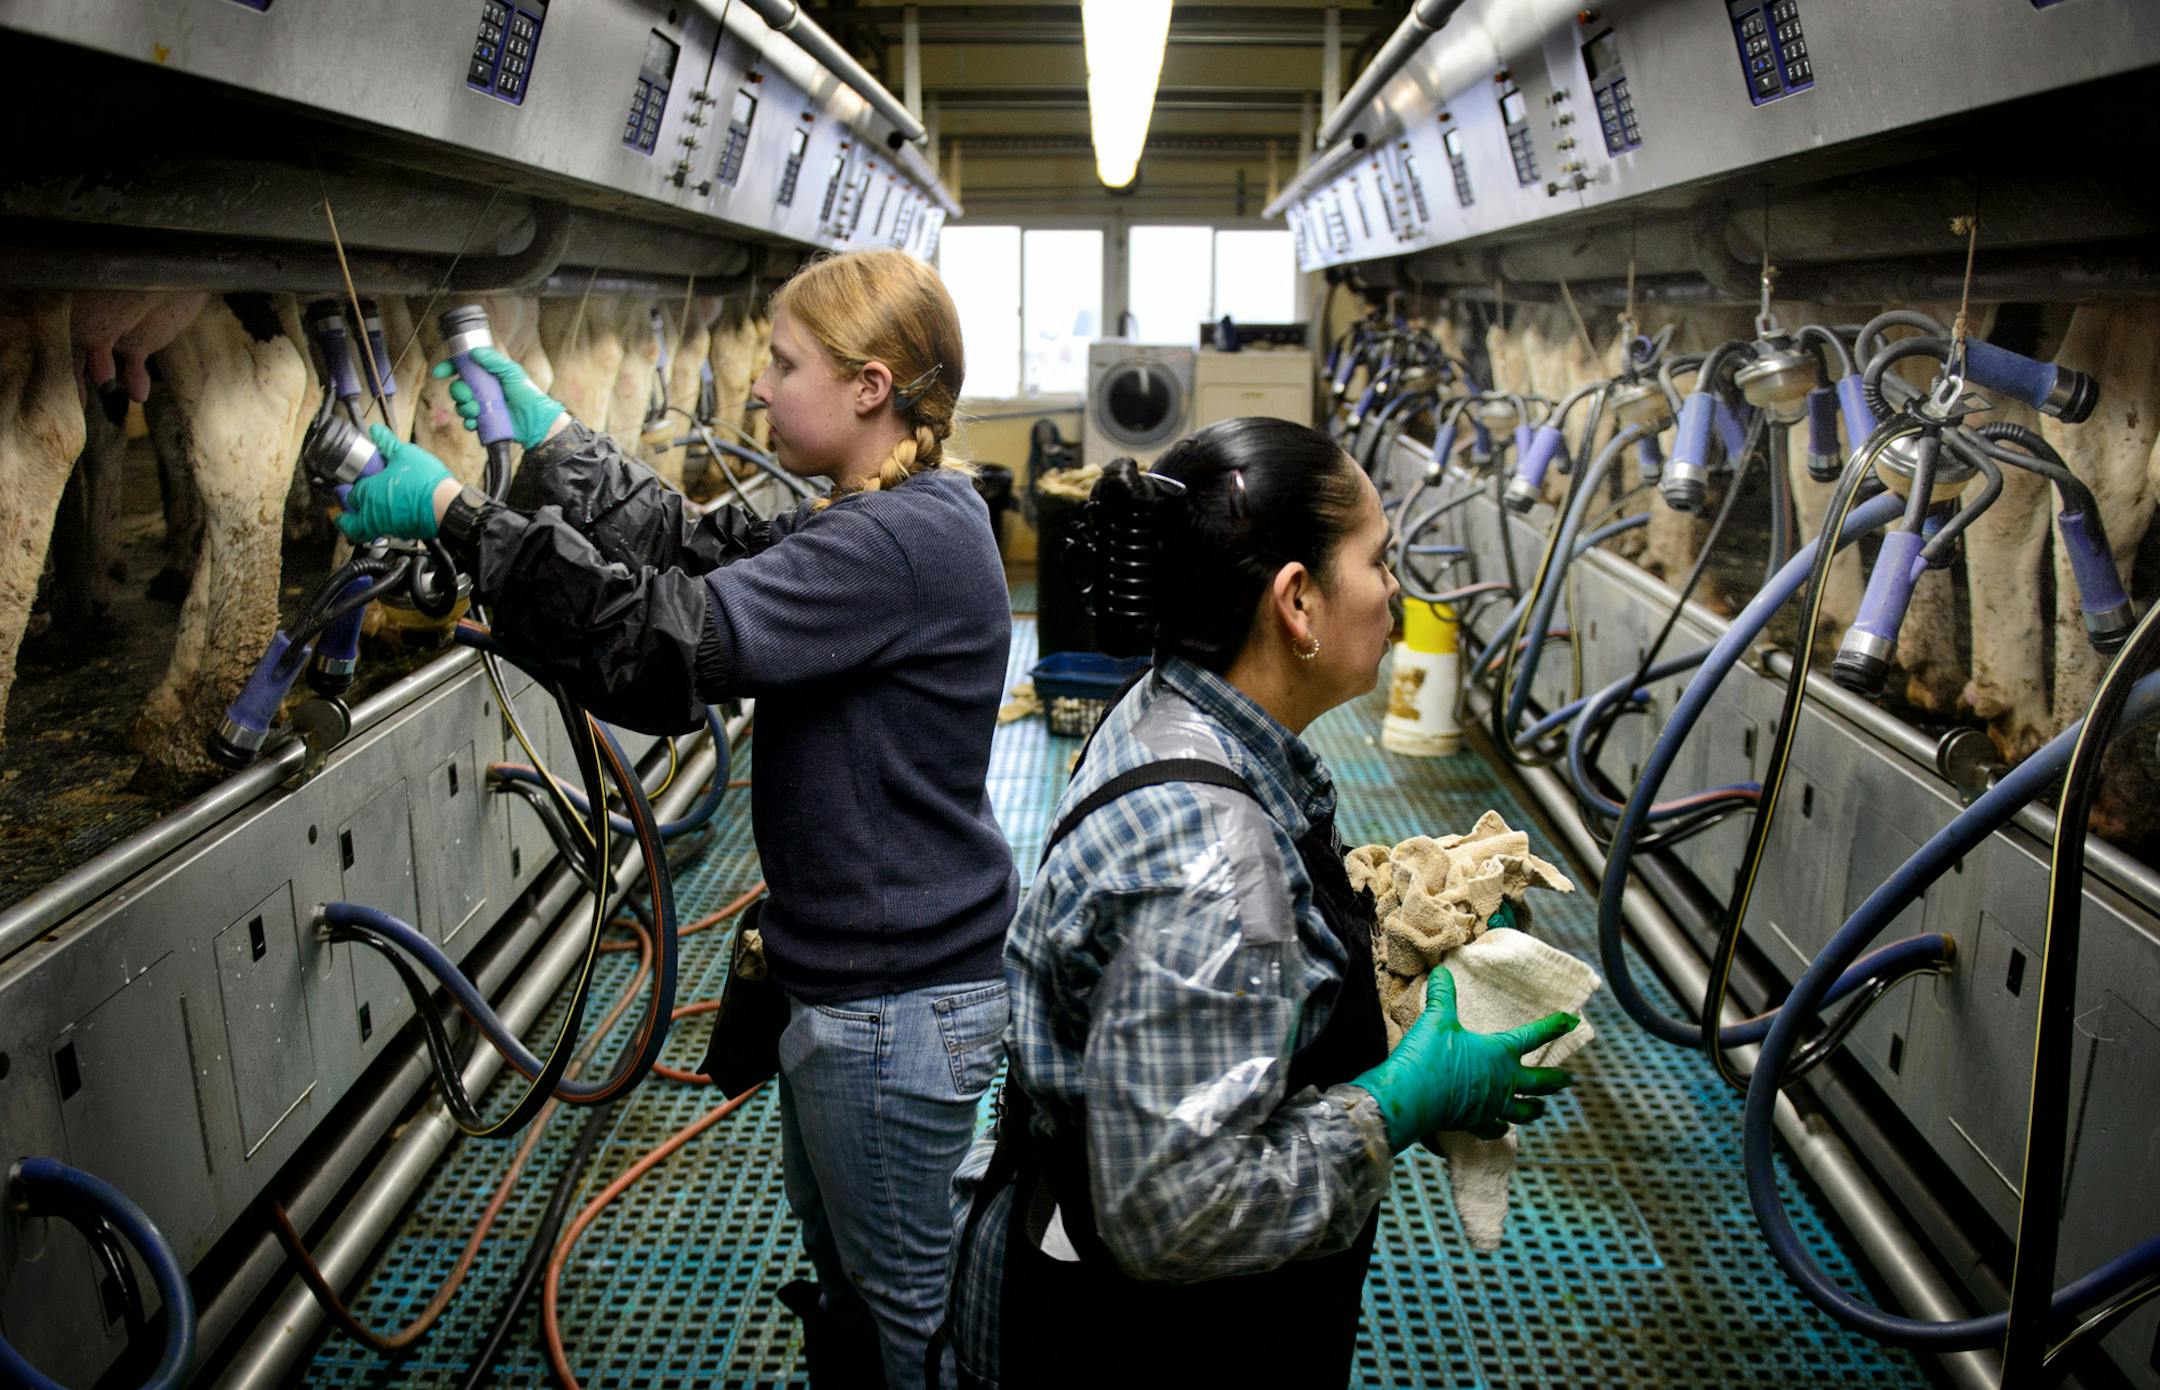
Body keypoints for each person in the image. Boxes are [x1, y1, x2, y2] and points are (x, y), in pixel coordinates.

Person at [334, 250, 1018, 1389]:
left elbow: (658, 646)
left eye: (785, 363)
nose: (758, 389)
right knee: (862, 1285)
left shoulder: (897, 541)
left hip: (889, 1007)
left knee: (912, 1319)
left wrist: (460, 516)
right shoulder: (890, 513)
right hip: (860, 983)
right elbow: (698, 551)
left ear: (869, 385)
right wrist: (556, 444)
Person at [943, 419, 1580, 1389]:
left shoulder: (1174, 709)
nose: (1396, 589)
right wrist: (1399, 1102)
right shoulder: (1211, 856)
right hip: (1138, 1343)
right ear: (1298, 602)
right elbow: (1178, 1211)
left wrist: (1359, 927)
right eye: (1379, 558)